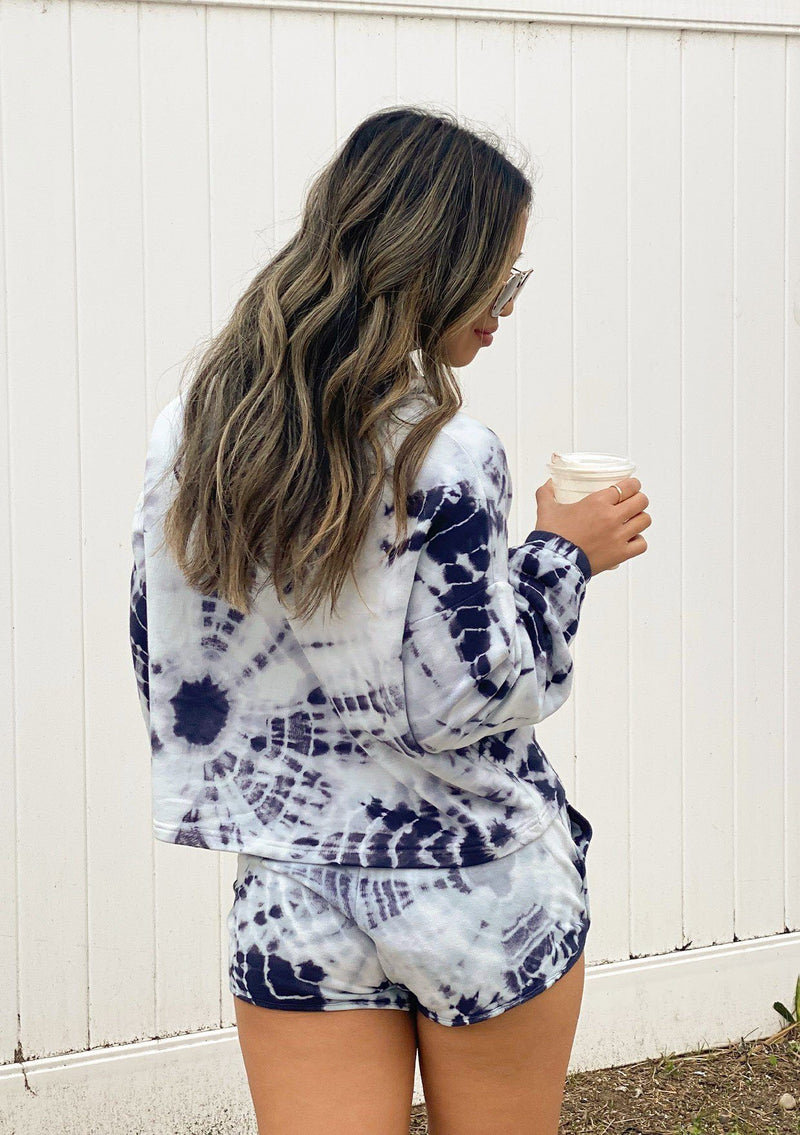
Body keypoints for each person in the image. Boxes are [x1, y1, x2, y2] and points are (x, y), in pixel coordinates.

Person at [129, 105, 651, 1135]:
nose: (505, 304)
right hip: (475, 882)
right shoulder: (446, 450)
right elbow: (471, 697)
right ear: (429, 262)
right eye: (497, 274)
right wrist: (562, 554)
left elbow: (172, 664)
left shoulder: (194, 435)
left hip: (296, 886)